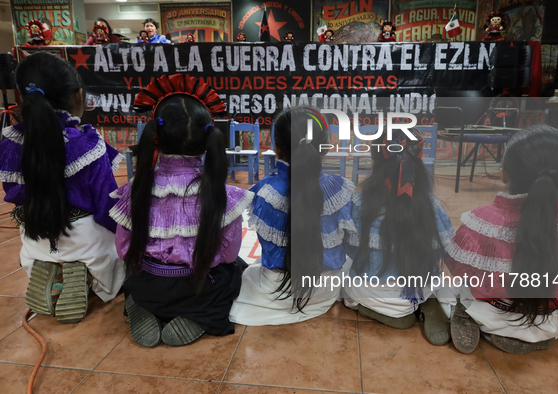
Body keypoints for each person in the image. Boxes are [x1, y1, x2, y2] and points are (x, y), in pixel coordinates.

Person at [110, 74, 252, 347]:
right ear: (207, 137)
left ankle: (141, 304)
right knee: (234, 271)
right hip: (197, 287)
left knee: (135, 278)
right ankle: (199, 315)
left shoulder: (134, 189)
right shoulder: (221, 194)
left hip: (149, 284)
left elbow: (123, 249)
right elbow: (228, 253)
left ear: (156, 136)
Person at [0, 52, 125, 323]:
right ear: (78, 97)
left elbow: (15, 195)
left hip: (35, 239)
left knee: (41, 236)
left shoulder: (10, 146)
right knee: (122, 249)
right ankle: (86, 273)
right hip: (85, 243)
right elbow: (107, 207)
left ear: (23, 97)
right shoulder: (87, 145)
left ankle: (52, 271)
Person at [445, 125, 558, 354]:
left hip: (491, 317)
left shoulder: (480, 222)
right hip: (547, 325)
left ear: (503, 174)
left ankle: (466, 315)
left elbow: (457, 269)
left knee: (451, 288)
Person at [229, 107, 356, 325]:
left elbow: (267, 246)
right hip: (325, 291)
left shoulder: (265, 191)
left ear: (276, 149)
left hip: (275, 290)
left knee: (244, 273)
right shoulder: (341, 190)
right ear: (324, 149)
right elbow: (350, 244)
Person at [343, 129, 455, 345]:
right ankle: (425, 301)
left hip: (372, 294)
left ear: (375, 163)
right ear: (418, 164)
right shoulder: (430, 205)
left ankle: (388, 311)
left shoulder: (360, 203)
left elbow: (351, 249)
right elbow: (442, 250)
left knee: (343, 276)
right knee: (437, 279)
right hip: (418, 287)